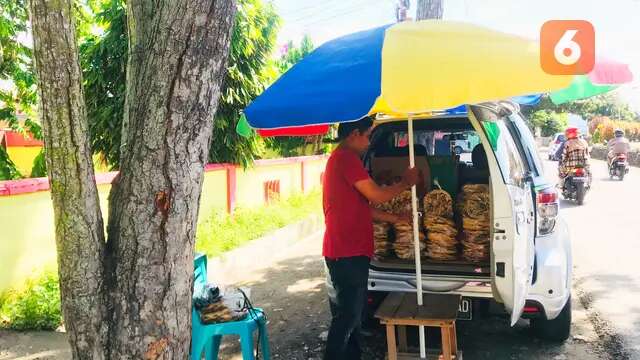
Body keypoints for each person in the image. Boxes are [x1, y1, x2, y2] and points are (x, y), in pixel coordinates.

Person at [322, 116, 419, 360]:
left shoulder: (345, 159)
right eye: (368, 135)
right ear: (354, 134)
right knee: (348, 316)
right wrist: (405, 182)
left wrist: (394, 219)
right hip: (346, 251)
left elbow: (363, 205)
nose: (369, 142)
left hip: (351, 250)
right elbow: (376, 195)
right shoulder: (345, 159)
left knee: (354, 314)